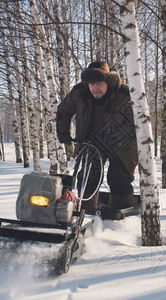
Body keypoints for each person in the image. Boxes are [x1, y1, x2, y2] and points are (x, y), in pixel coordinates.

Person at [56, 61, 138, 210]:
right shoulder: (80, 93)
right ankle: (87, 213)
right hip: (91, 142)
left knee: (118, 177)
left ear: (108, 81)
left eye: (99, 83)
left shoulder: (125, 94)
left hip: (122, 144)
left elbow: (141, 119)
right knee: (88, 177)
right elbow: (63, 110)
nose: (95, 88)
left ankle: (119, 221)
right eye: (91, 84)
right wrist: (63, 132)